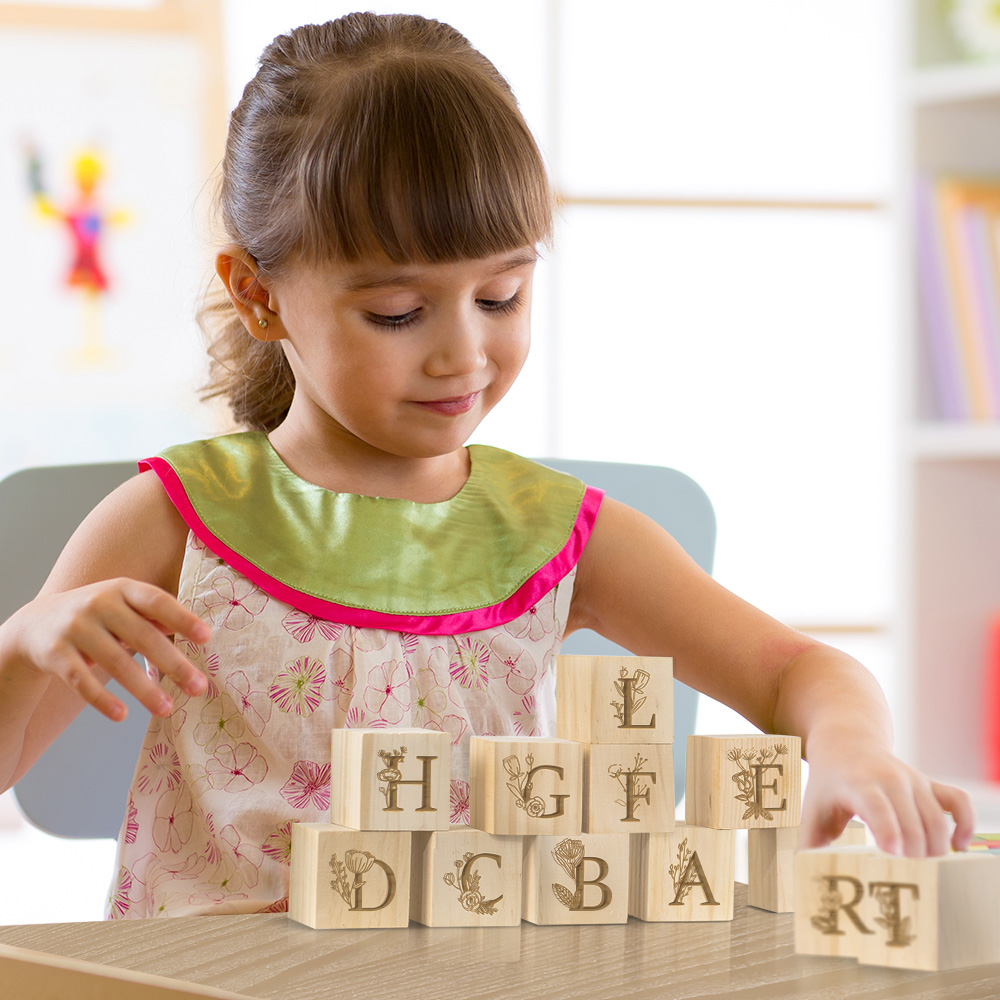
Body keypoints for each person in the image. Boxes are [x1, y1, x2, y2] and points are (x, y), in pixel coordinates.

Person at [0, 13, 974, 919]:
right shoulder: (175, 518)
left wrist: (851, 749)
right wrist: (22, 640)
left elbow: (798, 671)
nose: (461, 354)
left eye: (502, 296)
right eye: (396, 313)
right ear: (257, 296)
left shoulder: (560, 535)